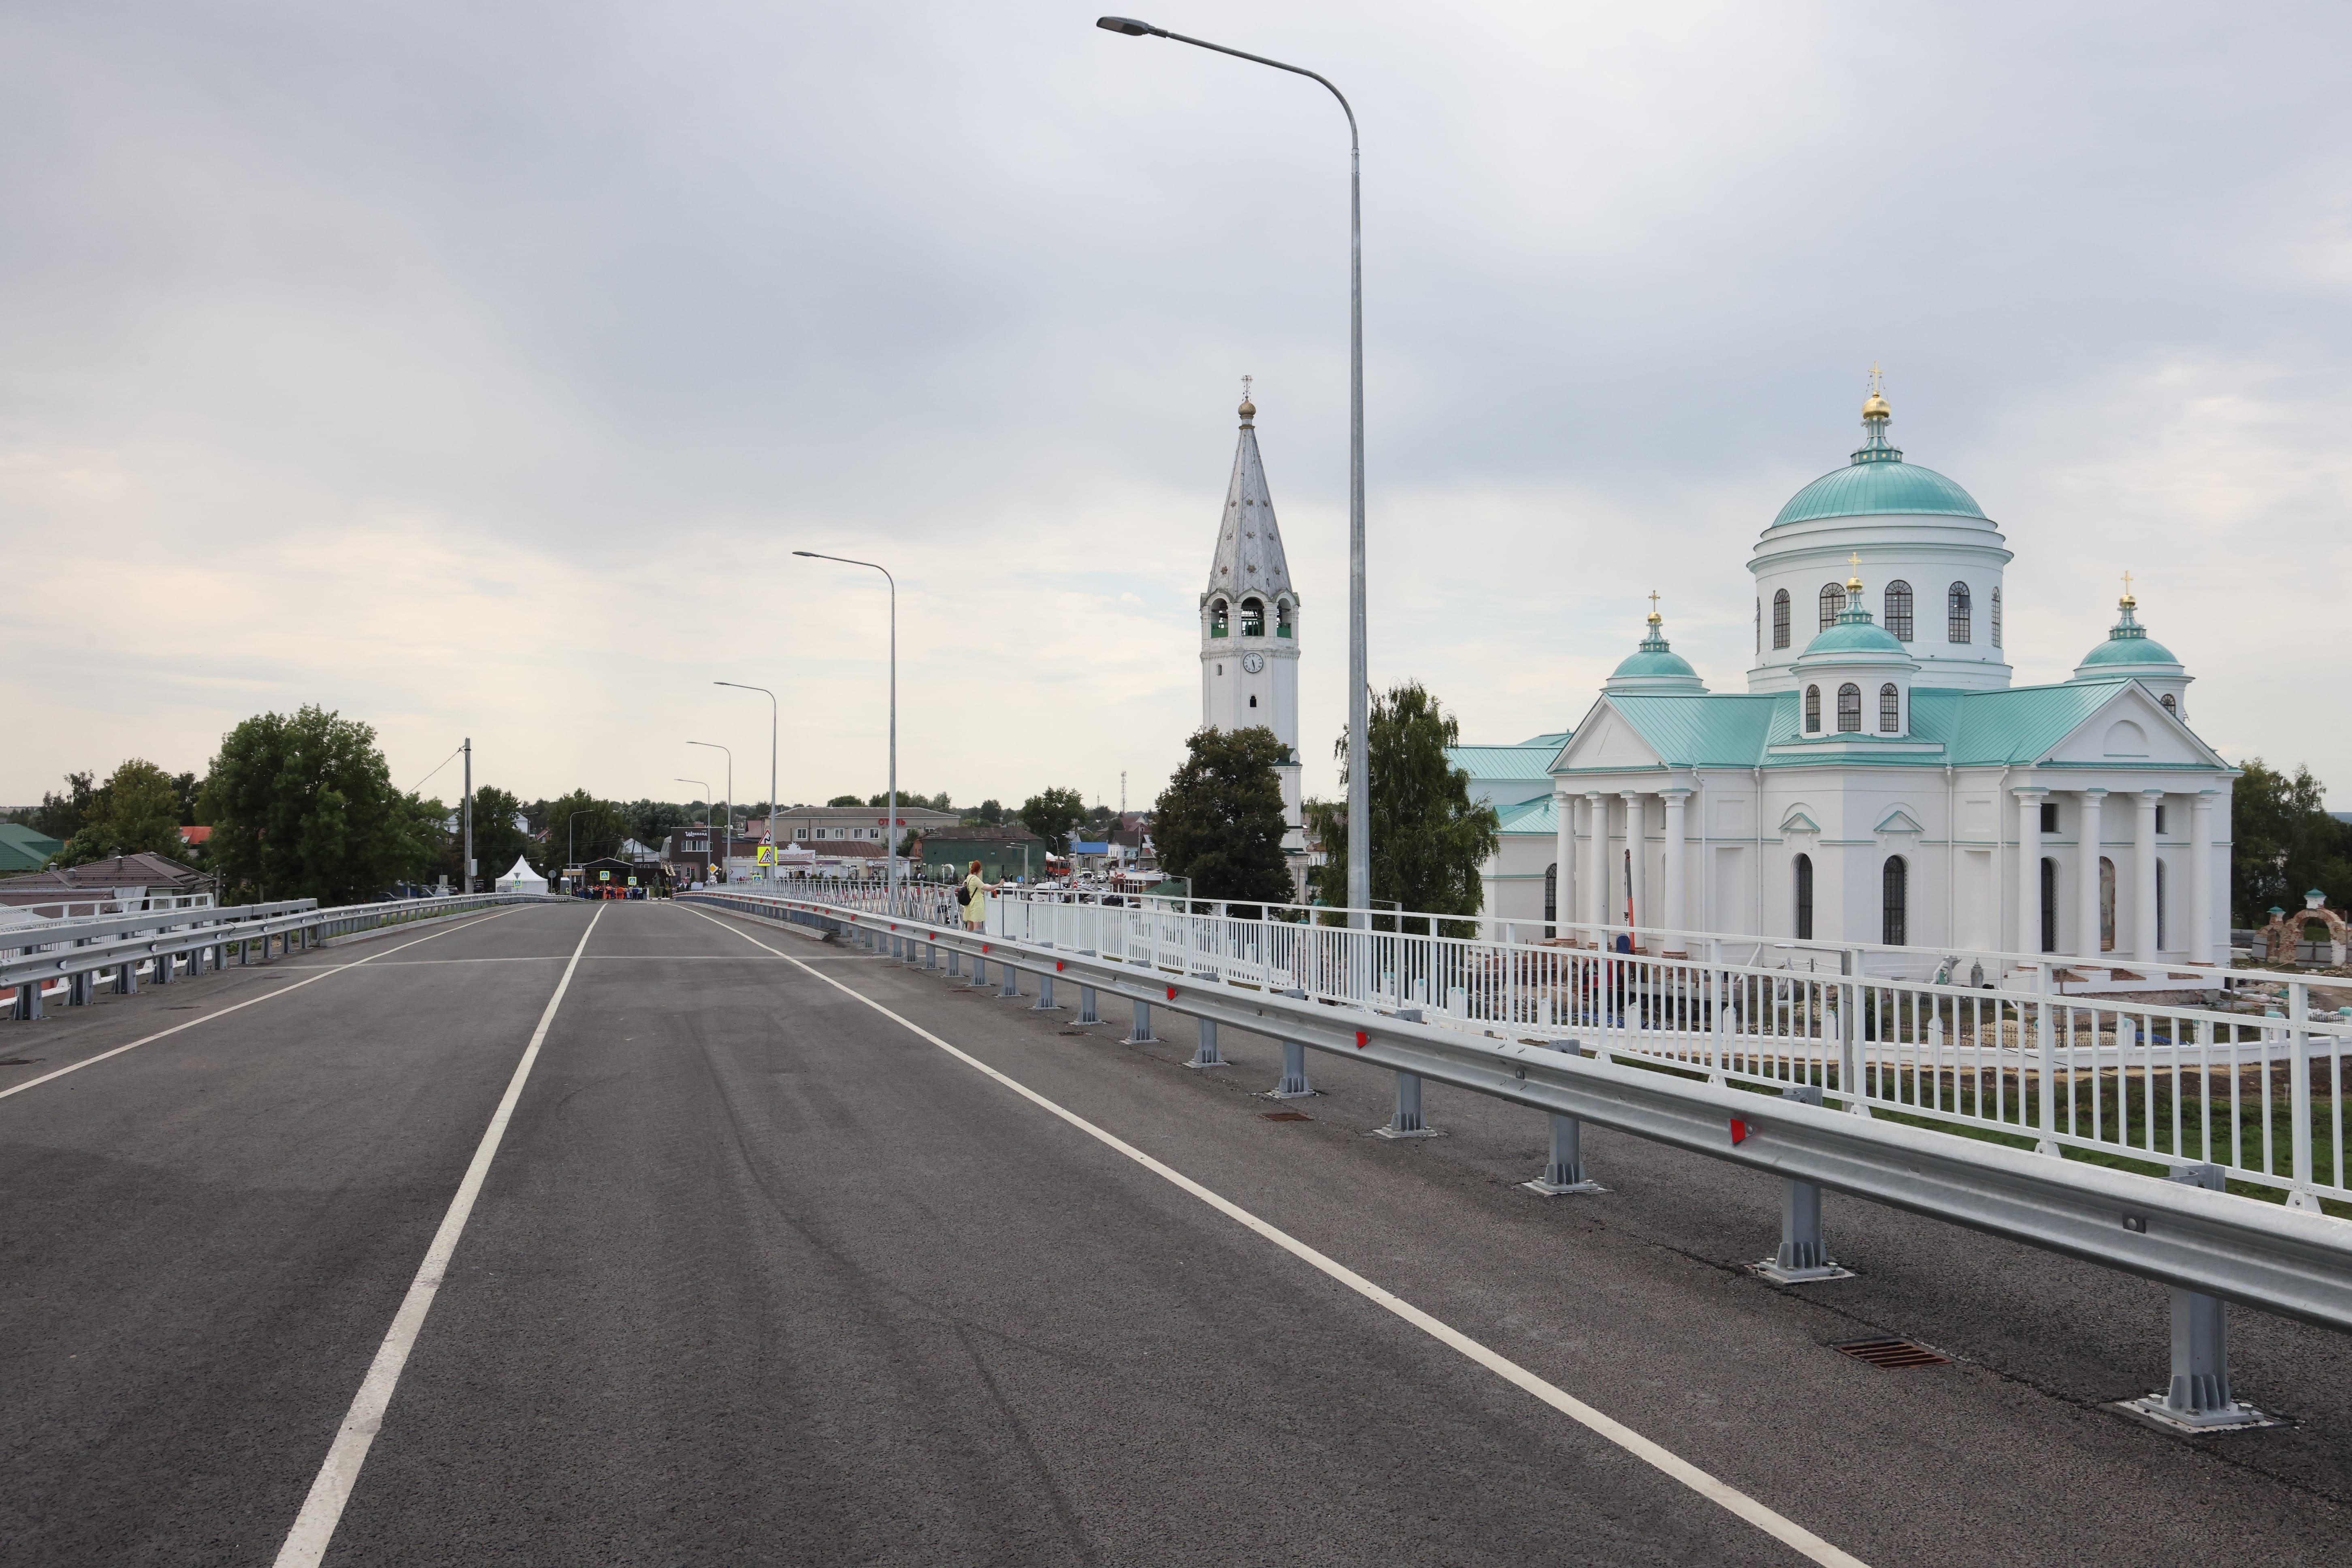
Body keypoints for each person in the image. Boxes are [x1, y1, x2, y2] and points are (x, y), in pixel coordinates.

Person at [961, 859, 989, 931]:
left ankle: (967, 939)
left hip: (969, 903)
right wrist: (999, 885)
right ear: (979, 870)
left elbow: (963, 884)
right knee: (977, 927)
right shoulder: (975, 879)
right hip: (976, 904)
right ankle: (976, 939)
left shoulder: (969, 877)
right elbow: (987, 888)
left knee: (970, 927)